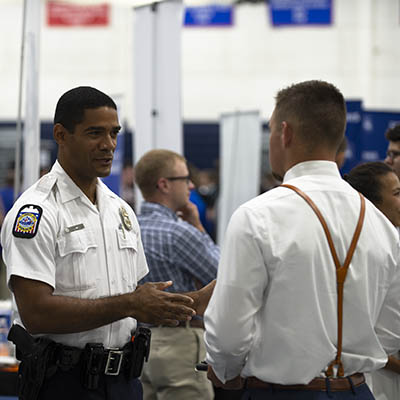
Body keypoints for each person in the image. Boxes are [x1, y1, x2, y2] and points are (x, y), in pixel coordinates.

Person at [0, 86, 211, 400]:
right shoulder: (38, 211)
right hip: (63, 384)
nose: (108, 144)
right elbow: (36, 312)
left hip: (125, 380)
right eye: (94, 133)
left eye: (114, 133)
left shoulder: (120, 211)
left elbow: (131, 302)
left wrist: (189, 302)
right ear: (61, 135)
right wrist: (130, 304)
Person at [204, 80, 400, 399]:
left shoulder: (257, 216)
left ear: (285, 133)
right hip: (357, 390)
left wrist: (225, 369)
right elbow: (390, 329)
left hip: (280, 392)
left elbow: (229, 332)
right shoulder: (382, 224)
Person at [134, 149, 219, 400]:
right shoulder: (179, 233)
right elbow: (224, 276)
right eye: (185, 179)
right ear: (164, 185)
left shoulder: (127, 228)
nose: (191, 185)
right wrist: (198, 226)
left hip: (139, 344)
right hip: (179, 344)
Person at [345, 161, 400, 400]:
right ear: (373, 204)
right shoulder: (384, 250)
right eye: (397, 194)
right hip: (372, 380)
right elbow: (376, 340)